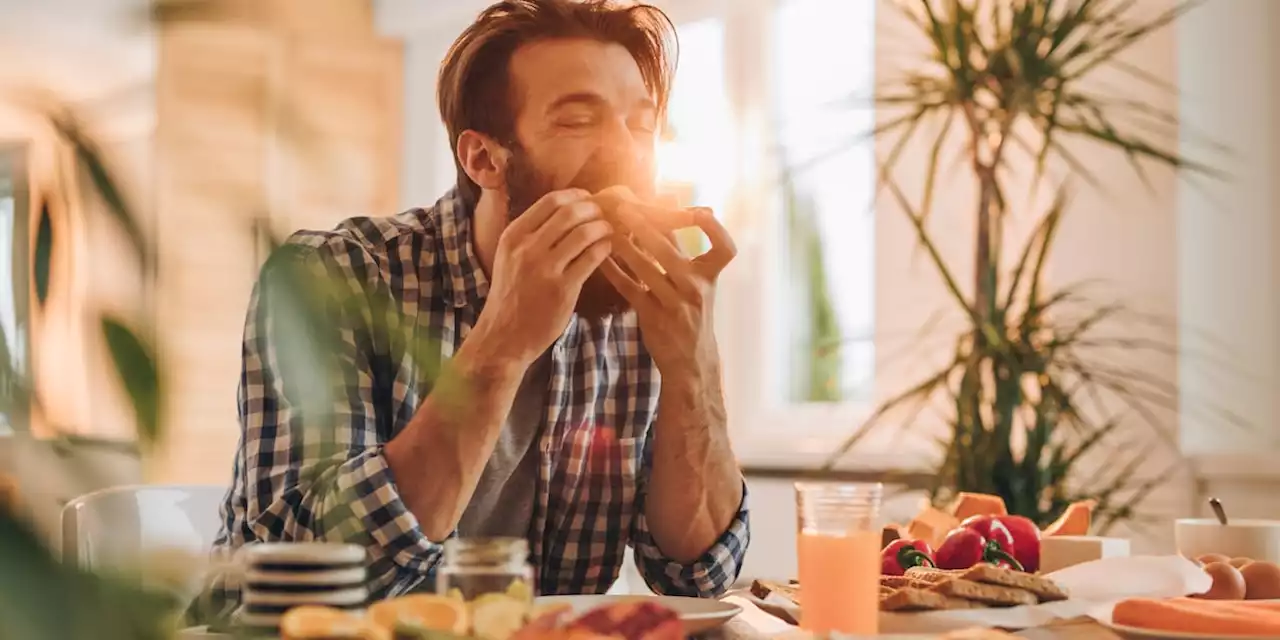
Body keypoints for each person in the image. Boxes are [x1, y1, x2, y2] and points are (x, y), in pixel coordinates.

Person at [211, 0, 749, 608]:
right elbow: (303, 578)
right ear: (484, 159)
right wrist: (503, 341)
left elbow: (696, 577)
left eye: (641, 126)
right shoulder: (332, 277)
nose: (627, 153)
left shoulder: (638, 304)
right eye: (579, 122)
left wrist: (693, 364)